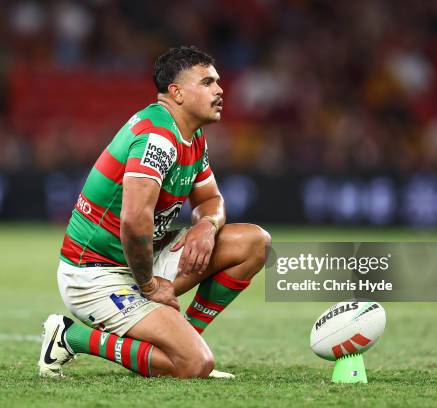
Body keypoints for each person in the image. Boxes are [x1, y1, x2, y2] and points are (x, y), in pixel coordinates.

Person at [38, 46, 271, 379]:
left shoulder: (191, 135)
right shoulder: (157, 137)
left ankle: (185, 340)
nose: (220, 90)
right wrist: (148, 286)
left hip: (144, 260)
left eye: (217, 82)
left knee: (254, 242)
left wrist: (207, 225)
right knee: (195, 365)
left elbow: (211, 200)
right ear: (175, 92)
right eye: (207, 82)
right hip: (96, 276)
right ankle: (70, 336)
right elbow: (134, 222)